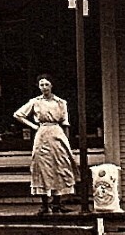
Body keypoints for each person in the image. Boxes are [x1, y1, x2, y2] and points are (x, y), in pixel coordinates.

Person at [13, 75, 77, 214]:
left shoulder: (60, 102)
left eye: (47, 84)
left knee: (59, 165)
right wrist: (34, 126)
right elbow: (18, 115)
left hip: (57, 134)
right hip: (42, 135)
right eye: (41, 85)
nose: (44, 88)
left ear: (52, 85)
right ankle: (44, 204)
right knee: (42, 167)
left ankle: (57, 203)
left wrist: (66, 141)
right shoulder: (35, 102)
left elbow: (65, 123)